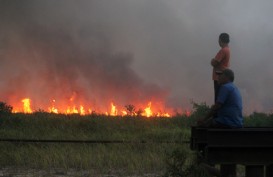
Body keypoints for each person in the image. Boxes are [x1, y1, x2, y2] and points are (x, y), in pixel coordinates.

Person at [211, 33, 230, 103]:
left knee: (218, 97)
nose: (218, 41)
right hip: (223, 76)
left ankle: (217, 113)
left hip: (218, 77)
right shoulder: (228, 49)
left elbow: (214, 63)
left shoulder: (223, 50)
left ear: (221, 40)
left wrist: (212, 61)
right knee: (221, 96)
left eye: (219, 40)